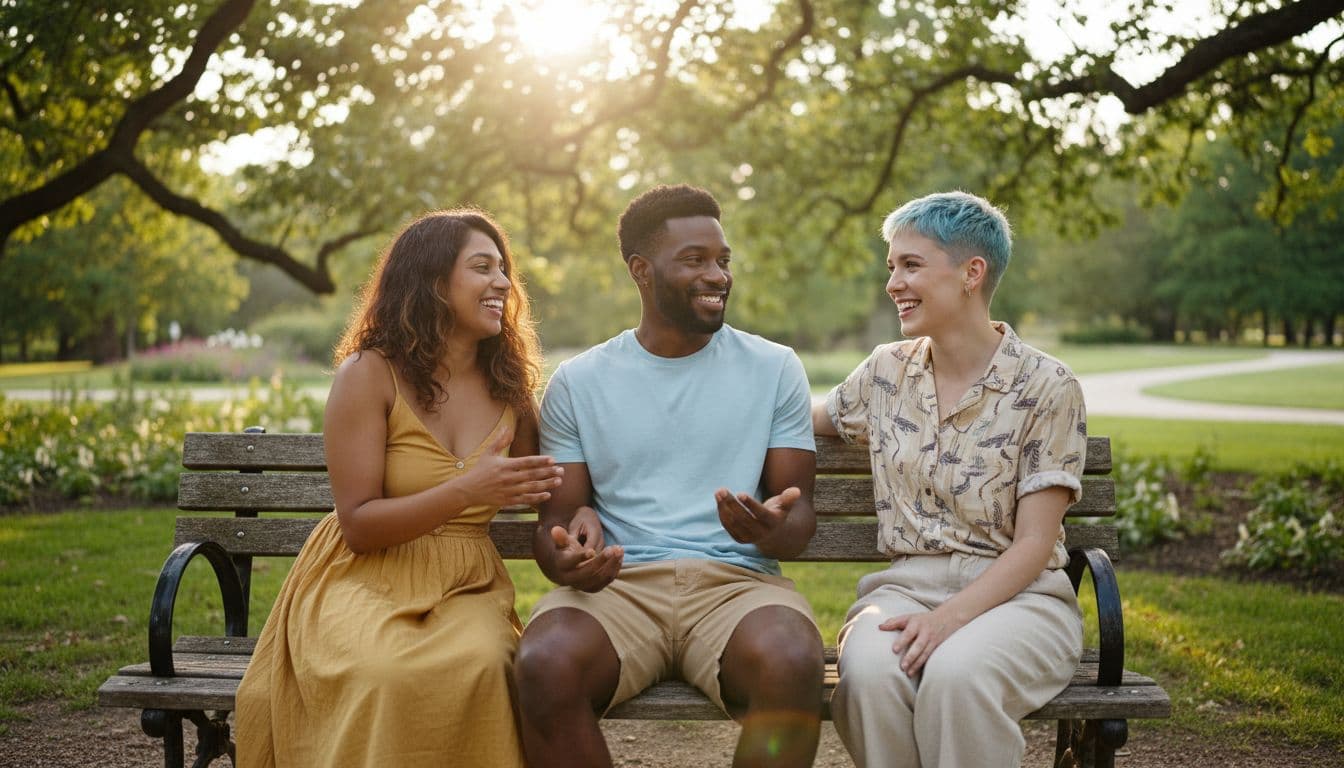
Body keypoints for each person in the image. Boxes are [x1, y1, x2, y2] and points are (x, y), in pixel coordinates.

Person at [234, 209, 563, 767]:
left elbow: (550, 496)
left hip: (466, 583)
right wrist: (468, 488)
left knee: (485, 664)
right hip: (363, 576)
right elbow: (359, 525)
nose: (503, 283)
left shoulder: (510, 390)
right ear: (433, 282)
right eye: (482, 267)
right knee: (382, 672)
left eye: (504, 269)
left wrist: (570, 526)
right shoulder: (368, 373)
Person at [513, 184, 824, 768]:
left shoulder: (774, 367)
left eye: (723, 260)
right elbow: (556, 523)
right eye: (695, 260)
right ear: (641, 270)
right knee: (544, 663)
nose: (718, 275)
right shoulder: (579, 383)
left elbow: (798, 516)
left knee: (791, 660)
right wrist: (569, 559)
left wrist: (768, 529)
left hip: (738, 584)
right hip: (620, 586)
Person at [814, 191, 1088, 768]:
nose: (893, 283)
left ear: (972, 272)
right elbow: (798, 420)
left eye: (911, 265)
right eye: (892, 267)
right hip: (903, 589)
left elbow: (1036, 545)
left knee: (957, 676)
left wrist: (947, 621)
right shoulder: (886, 371)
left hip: (1020, 599)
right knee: (866, 674)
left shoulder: (1046, 386)